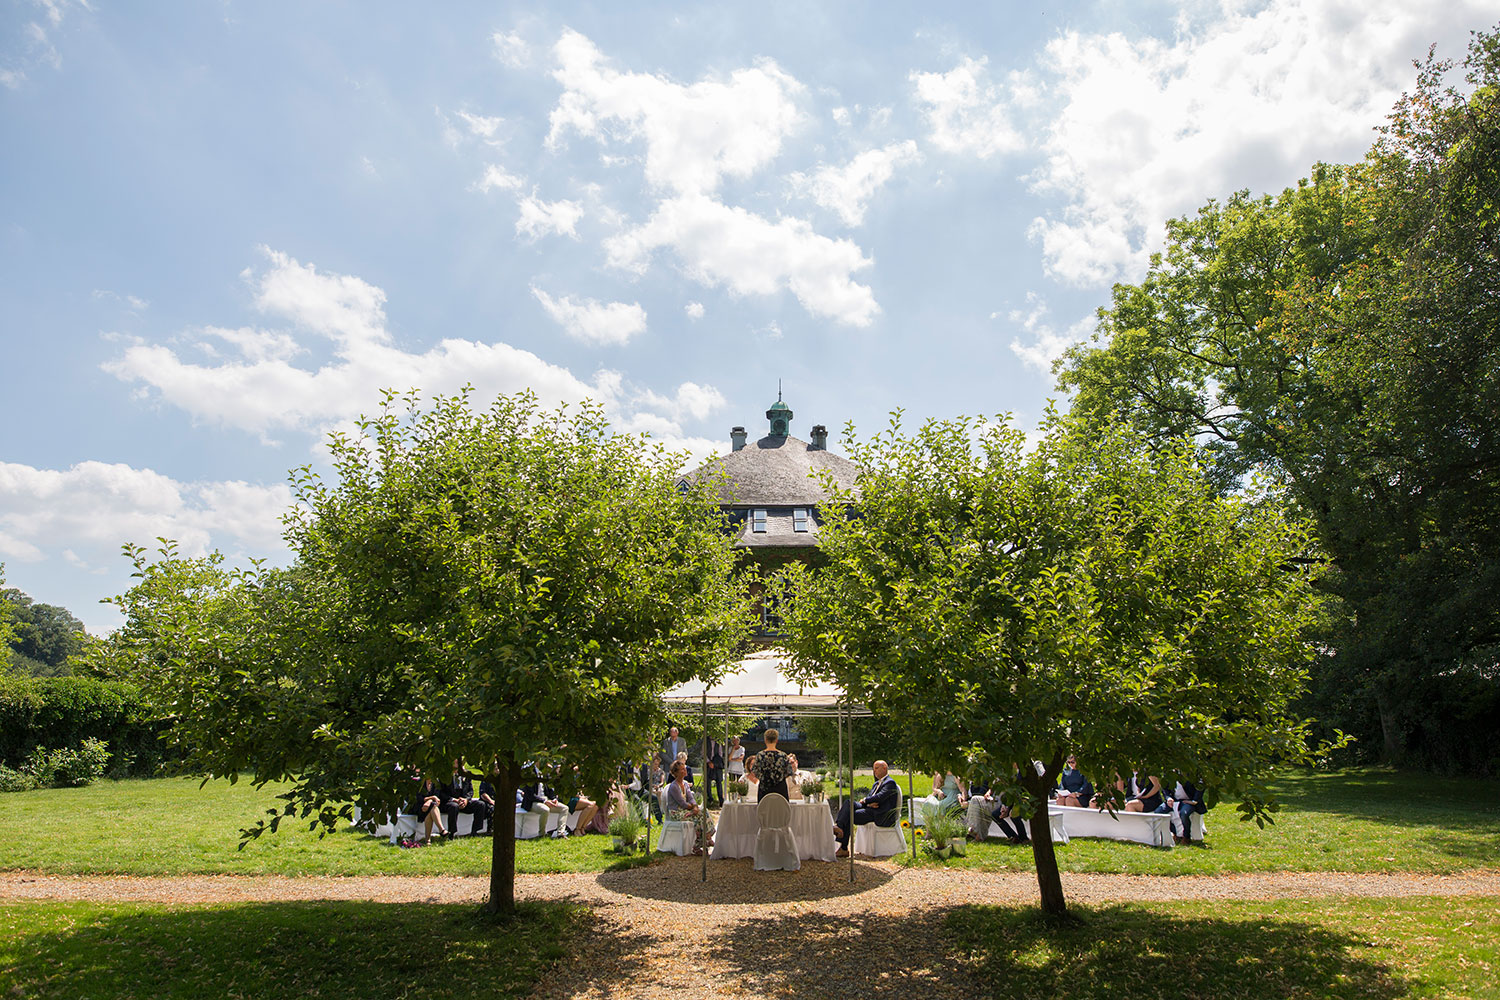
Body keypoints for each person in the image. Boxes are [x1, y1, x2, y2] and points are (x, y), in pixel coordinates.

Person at [832, 759, 899, 857]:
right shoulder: (876, 783)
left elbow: (880, 797)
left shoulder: (890, 783)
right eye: (873, 769)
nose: (874, 771)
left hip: (879, 813)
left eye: (876, 768)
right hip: (871, 808)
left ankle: (843, 847)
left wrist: (866, 801)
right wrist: (869, 803)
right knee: (849, 803)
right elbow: (873, 798)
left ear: (884, 768)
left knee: (849, 815)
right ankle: (840, 827)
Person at [666, 759, 714, 855]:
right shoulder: (674, 786)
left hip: (686, 810)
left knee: (703, 812)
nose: (685, 771)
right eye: (682, 769)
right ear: (676, 773)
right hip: (677, 812)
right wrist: (693, 808)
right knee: (698, 818)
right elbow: (682, 803)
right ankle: (703, 841)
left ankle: (704, 840)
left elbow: (691, 798)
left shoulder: (686, 784)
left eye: (685, 768)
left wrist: (695, 806)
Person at [441, 758, 492, 838]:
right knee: (454, 806)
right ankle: (452, 832)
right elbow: (441, 793)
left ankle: (475, 831)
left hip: (463, 800)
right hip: (450, 801)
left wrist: (466, 800)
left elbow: (470, 791)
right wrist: (454, 800)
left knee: (480, 804)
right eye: (457, 763)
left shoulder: (466, 774)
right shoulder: (445, 775)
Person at [520, 767, 571, 837]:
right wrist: (544, 801)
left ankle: (560, 833)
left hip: (545, 799)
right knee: (545, 810)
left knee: (564, 808)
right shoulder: (530, 773)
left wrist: (554, 799)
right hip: (532, 802)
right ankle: (542, 834)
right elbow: (530, 795)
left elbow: (550, 790)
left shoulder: (545, 772)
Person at [745, 729, 793, 802]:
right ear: (776, 740)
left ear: (765, 740)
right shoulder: (783, 756)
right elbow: (789, 772)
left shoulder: (760, 756)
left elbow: (755, 772)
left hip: (764, 791)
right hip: (781, 791)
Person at [1164, 778, 1206, 844]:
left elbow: (1201, 785)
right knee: (1159, 812)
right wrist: (1168, 798)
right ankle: (1175, 832)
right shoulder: (1169, 774)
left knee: (1184, 814)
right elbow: (1165, 788)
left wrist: (1194, 801)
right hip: (1174, 801)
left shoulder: (1189, 773)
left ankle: (1186, 836)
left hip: (1188, 801)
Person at [411, 771, 447, 844]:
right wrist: (432, 798)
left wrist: (429, 801)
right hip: (418, 806)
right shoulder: (419, 782)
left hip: (430, 806)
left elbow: (437, 796)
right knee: (432, 807)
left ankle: (427, 840)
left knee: (431, 808)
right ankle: (441, 829)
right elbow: (418, 798)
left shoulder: (436, 783)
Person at [701, 735, 725, 807]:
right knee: (708, 782)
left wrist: (715, 763)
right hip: (707, 764)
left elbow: (720, 754)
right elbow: (703, 753)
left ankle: (721, 800)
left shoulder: (719, 742)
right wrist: (708, 762)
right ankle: (710, 799)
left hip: (717, 765)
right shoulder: (705, 742)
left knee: (719, 782)